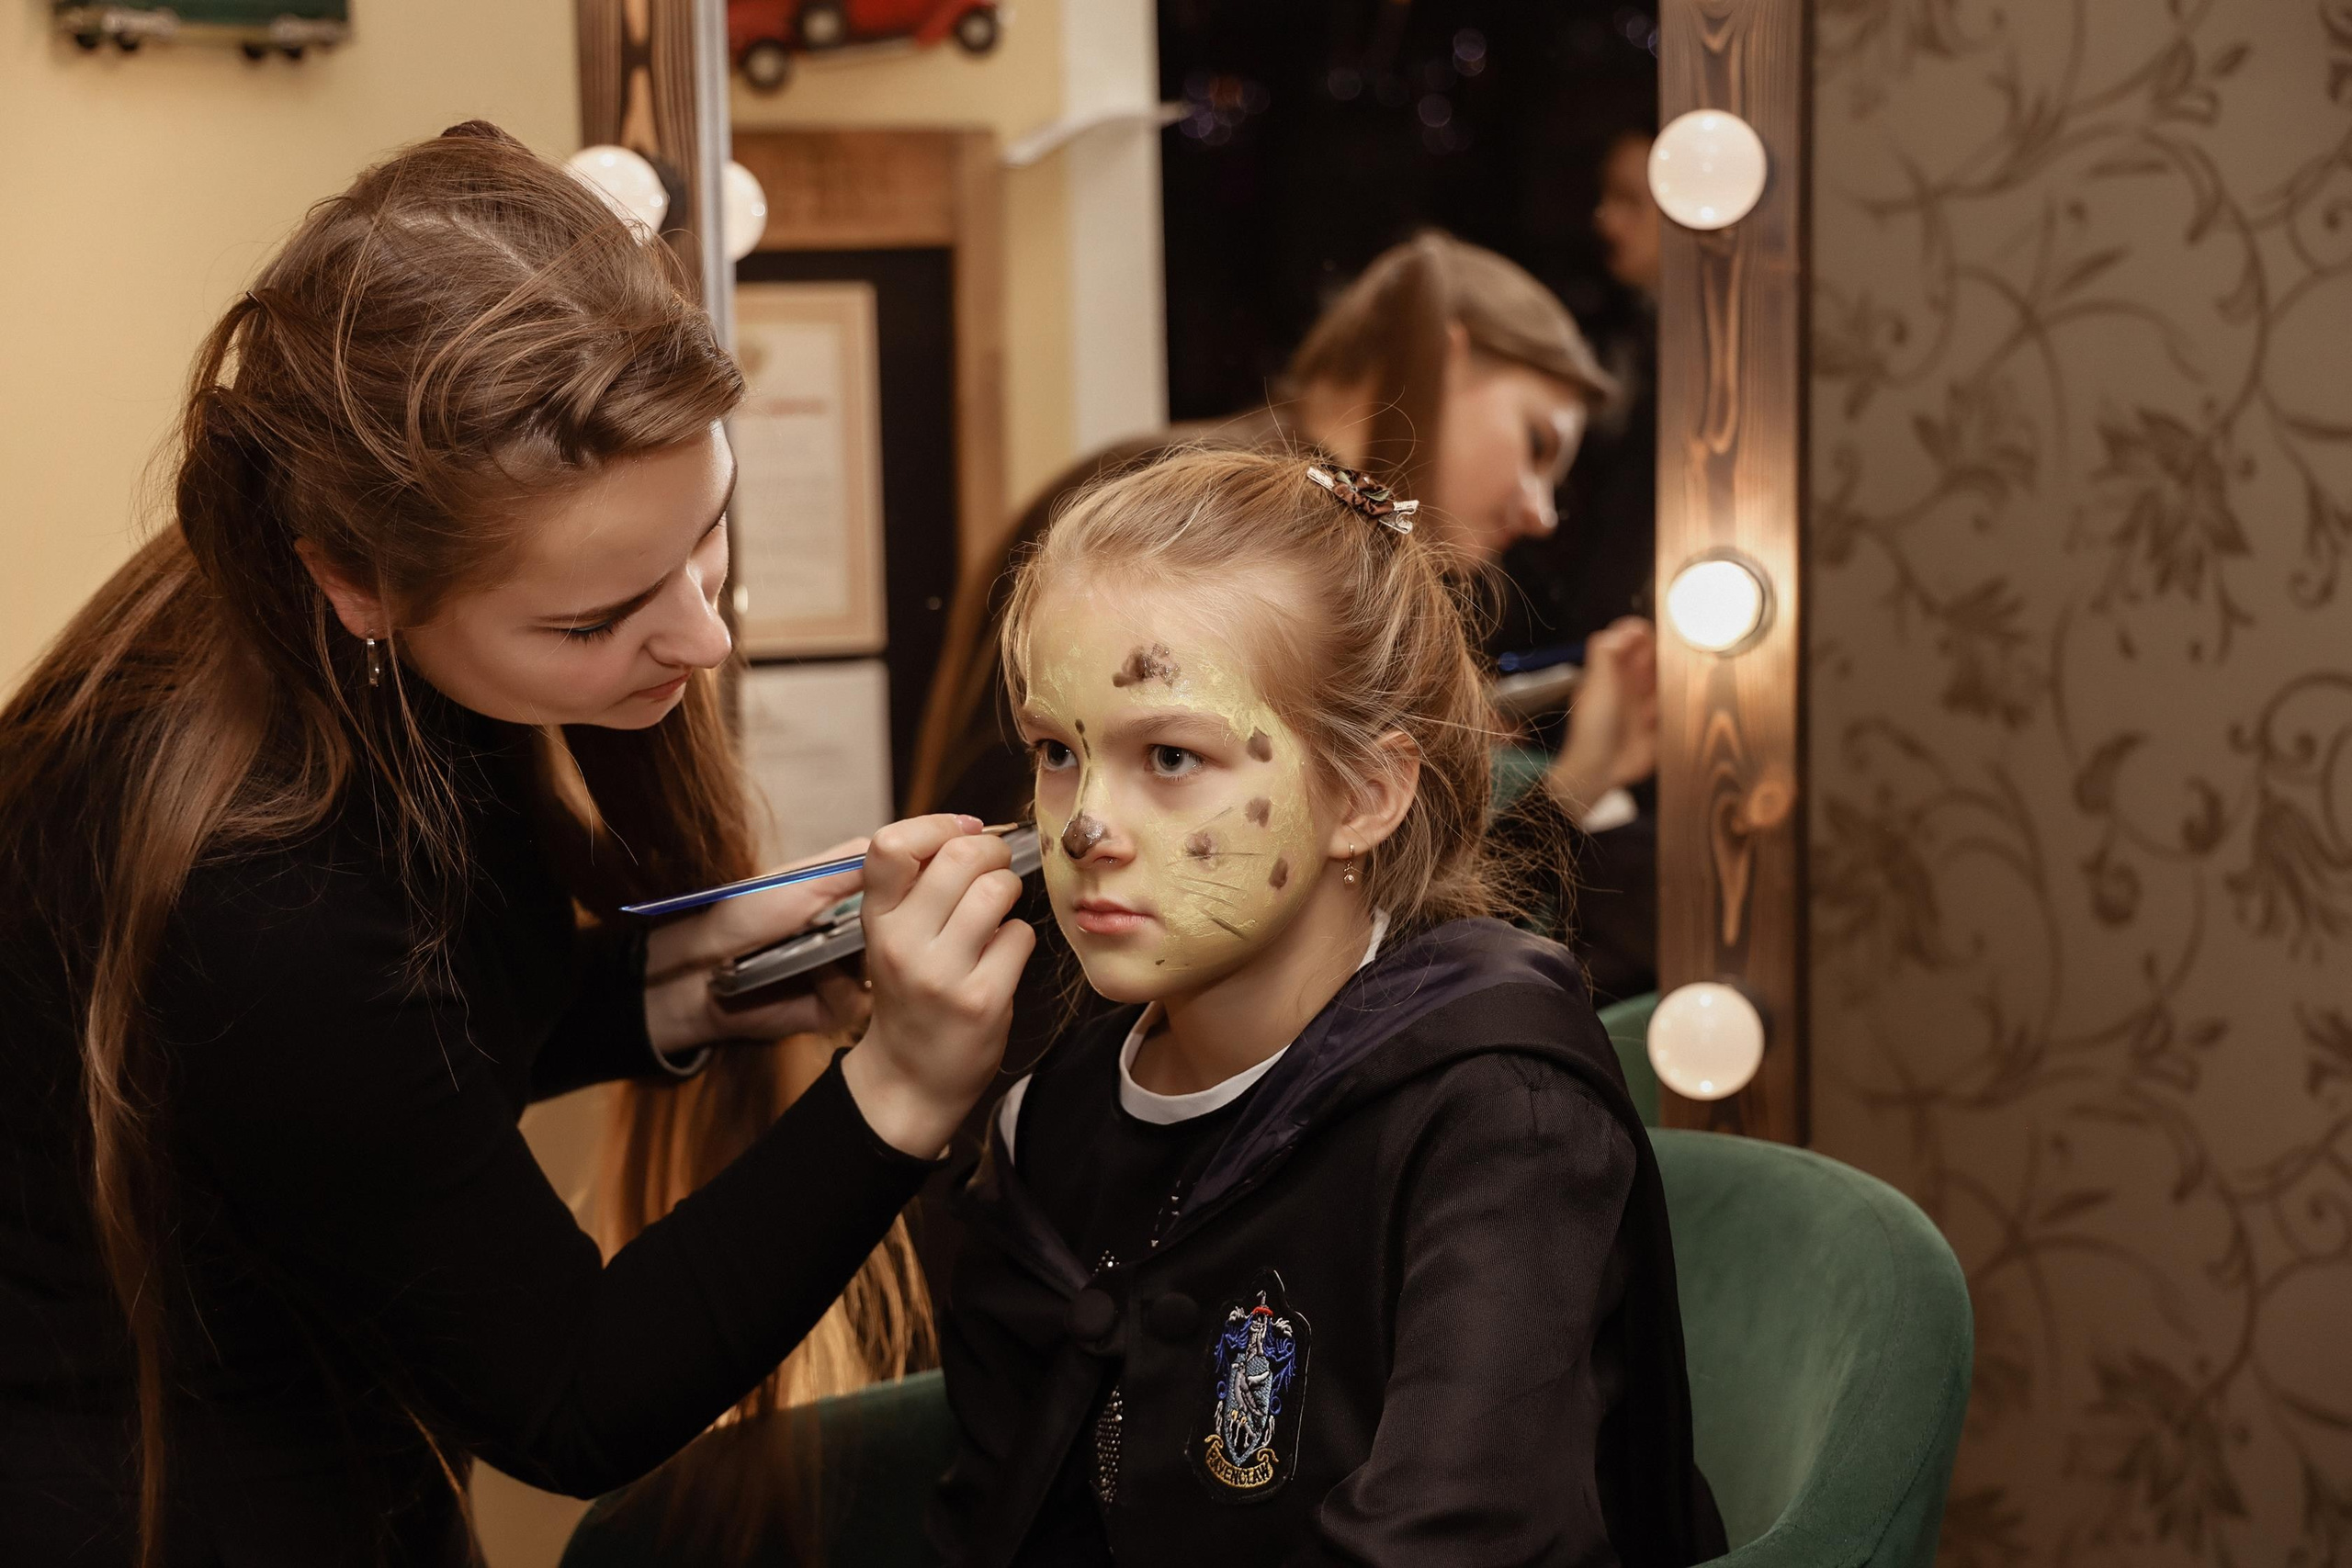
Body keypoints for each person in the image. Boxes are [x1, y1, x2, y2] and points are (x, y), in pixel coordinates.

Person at [0, 123, 1032, 1565]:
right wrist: (903, 1090)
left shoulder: (346, 638)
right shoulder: (260, 885)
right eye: (595, 620)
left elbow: (379, 1092)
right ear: (355, 580)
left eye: (708, 532)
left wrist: (676, 984)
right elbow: (571, 1392)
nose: (702, 633)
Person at [931, 448, 1724, 1566]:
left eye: (1168, 754)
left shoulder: (1495, 1108)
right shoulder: (1047, 1124)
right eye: (1056, 753)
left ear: (1363, 795)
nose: (1081, 826)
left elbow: (1458, 1539)